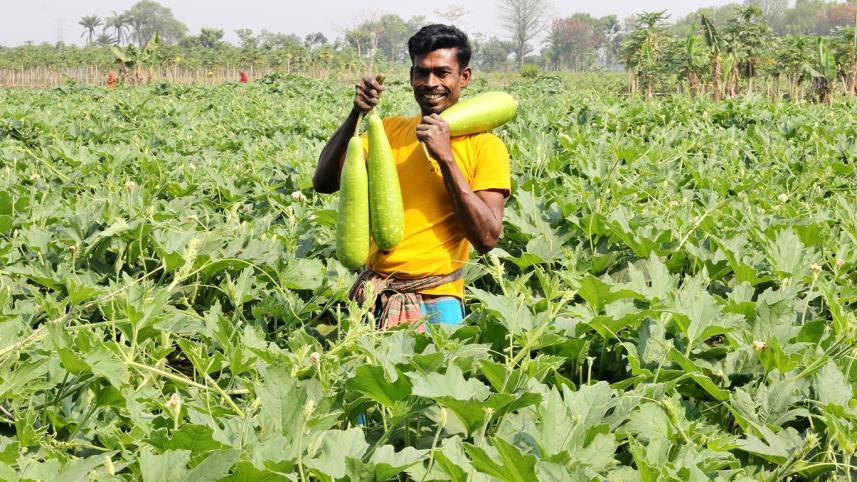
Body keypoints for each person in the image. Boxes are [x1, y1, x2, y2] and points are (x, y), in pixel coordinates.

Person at [314, 24, 511, 329]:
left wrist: (445, 157)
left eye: (443, 73)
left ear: (464, 77)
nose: (431, 83)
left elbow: (486, 238)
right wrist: (356, 114)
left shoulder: (486, 147)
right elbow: (324, 182)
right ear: (411, 76)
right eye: (422, 72)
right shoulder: (390, 131)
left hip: (438, 303)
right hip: (373, 295)